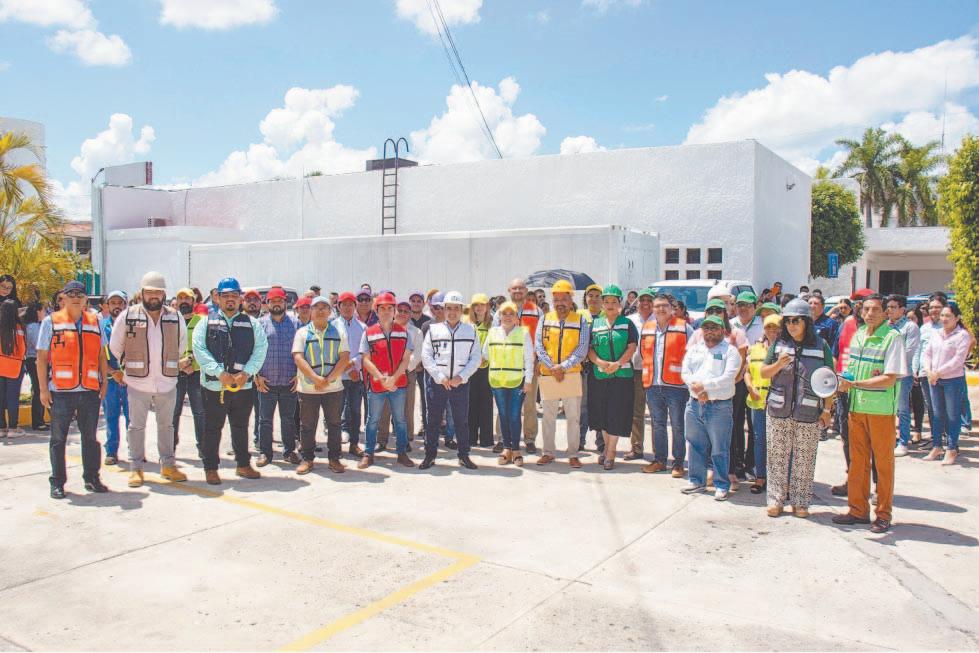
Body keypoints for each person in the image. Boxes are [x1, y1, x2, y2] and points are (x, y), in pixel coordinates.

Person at [833, 294, 908, 534]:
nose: (870, 313)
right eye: (866, 309)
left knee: (883, 464)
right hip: (856, 408)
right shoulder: (858, 335)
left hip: (880, 411)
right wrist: (842, 381)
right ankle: (857, 510)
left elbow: (890, 378)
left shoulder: (892, 338)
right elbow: (851, 371)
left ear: (886, 312)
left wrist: (855, 384)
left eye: (875, 309)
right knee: (858, 462)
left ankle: (883, 514)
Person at [109, 272, 188, 487]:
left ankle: (168, 466)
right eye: (150, 292)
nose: (154, 296)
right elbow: (115, 346)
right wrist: (121, 367)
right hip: (137, 382)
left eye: (158, 292)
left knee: (167, 426)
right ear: (142, 293)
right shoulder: (128, 316)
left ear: (164, 294)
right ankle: (136, 468)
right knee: (136, 426)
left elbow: (181, 346)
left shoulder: (175, 317)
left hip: (166, 381)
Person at [759, 298, 835, 518]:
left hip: (808, 411)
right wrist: (778, 364)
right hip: (778, 409)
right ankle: (775, 500)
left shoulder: (821, 346)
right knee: (776, 457)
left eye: (796, 321)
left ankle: (801, 502)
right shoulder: (779, 344)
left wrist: (827, 410)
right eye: (788, 321)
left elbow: (830, 380)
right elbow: (763, 372)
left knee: (804, 458)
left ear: (806, 323)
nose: (791, 325)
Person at [36, 280, 110, 499]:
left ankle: (92, 478)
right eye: (71, 294)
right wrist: (43, 390)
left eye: (80, 294)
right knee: (58, 439)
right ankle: (57, 482)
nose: (76, 298)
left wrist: (104, 381)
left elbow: (101, 355)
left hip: (89, 390)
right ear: (64, 298)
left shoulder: (95, 322)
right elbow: (41, 358)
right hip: (60, 392)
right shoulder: (51, 322)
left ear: (86, 299)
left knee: (90, 438)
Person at [193, 277, 269, 485]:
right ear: (217, 298)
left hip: (242, 386)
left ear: (240, 298)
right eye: (225, 295)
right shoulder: (205, 323)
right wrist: (220, 373)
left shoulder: (252, 324)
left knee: (240, 426)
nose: (230, 299)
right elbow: (200, 350)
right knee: (212, 428)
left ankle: (243, 464)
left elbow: (260, 349)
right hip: (214, 387)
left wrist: (247, 373)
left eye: (234, 295)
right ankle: (210, 468)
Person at [680, 315, 741, 500]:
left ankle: (721, 484)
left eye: (714, 328)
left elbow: (728, 377)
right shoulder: (694, 349)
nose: (709, 332)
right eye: (706, 328)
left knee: (720, 447)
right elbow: (685, 372)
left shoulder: (730, 351)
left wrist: (705, 387)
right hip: (694, 404)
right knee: (695, 445)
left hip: (719, 406)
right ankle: (696, 481)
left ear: (722, 330)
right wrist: (697, 389)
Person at [420, 291, 482, 470]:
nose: (452, 312)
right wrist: (439, 377)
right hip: (437, 383)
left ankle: (464, 455)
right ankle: (429, 456)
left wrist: (461, 377)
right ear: (443, 309)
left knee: (461, 421)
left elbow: (476, 357)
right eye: (448, 308)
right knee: (433, 421)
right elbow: (426, 356)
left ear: (461, 310)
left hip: (460, 384)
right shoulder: (434, 330)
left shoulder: (471, 330)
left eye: (456, 308)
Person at [535, 280, 590, 468]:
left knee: (573, 418)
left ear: (571, 300)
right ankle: (548, 452)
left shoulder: (580, 320)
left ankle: (573, 454)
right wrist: (552, 367)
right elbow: (539, 346)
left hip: (571, 374)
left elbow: (582, 349)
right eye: (556, 299)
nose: (560, 303)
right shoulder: (544, 319)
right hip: (548, 374)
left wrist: (563, 367)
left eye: (564, 299)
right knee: (548, 417)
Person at [292, 296, 349, 474]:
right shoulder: (302, 333)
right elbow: (298, 357)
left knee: (334, 424)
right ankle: (307, 459)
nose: (321, 310)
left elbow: (344, 358)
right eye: (317, 307)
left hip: (333, 388)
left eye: (325, 307)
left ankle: (334, 459)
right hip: (309, 389)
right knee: (307, 426)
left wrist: (328, 379)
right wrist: (315, 378)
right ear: (310, 310)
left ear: (330, 311)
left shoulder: (339, 332)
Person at [639, 292, 694, 476]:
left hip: (677, 386)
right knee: (658, 424)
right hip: (653, 384)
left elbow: (694, 354)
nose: (660, 309)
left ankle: (678, 463)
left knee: (678, 425)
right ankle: (660, 461)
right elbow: (642, 353)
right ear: (653, 309)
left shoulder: (684, 328)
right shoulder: (647, 328)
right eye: (657, 306)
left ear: (672, 309)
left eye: (664, 306)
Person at [359, 292, 414, 468]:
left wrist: (393, 379)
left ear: (394, 310)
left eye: (390, 308)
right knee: (373, 420)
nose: (386, 311)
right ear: (376, 310)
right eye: (382, 308)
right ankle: (368, 454)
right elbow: (366, 360)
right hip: (377, 384)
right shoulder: (369, 333)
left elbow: (406, 359)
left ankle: (402, 453)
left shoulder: (404, 333)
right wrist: (381, 377)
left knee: (400, 420)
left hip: (398, 384)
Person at [587, 285, 638, 470]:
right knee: (602, 414)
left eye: (614, 301)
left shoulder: (627, 324)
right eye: (606, 301)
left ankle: (611, 452)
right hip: (599, 376)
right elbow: (589, 349)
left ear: (620, 303)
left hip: (621, 376)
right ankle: (606, 447)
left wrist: (617, 363)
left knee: (615, 414)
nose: (610, 305)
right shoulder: (595, 325)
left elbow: (632, 347)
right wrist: (599, 362)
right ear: (602, 303)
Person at [494, 278, 543, 453]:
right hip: (506, 366)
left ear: (526, 291)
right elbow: (495, 335)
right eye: (514, 288)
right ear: (509, 290)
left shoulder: (536, 311)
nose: (517, 291)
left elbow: (541, 337)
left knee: (529, 404)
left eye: (521, 288)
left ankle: (529, 439)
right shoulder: (500, 311)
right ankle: (502, 438)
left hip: (529, 364)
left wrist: (538, 359)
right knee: (504, 405)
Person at [255, 287, 300, 467]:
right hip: (266, 382)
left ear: (285, 303)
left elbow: (303, 351)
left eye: (279, 301)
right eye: (272, 301)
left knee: (288, 419)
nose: (276, 304)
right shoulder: (260, 325)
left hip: (289, 381)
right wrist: (256, 376)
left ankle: (289, 451)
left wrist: (300, 375)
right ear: (267, 304)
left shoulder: (296, 324)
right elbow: (254, 351)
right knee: (265, 420)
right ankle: (265, 453)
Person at [485, 301, 534, 466]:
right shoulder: (492, 332)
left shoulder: (523, 333)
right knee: (503, 414)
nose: (507, 317)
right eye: (504, 313)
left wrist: (528, 380)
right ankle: (507, 448)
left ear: (516, 317)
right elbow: (485, 354)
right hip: (497, 381)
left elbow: (529, 358)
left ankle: (516, 449)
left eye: (511, 313)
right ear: (499, 316)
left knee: (514, 415)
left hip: (517, 381)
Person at [921, 304, 971, 465]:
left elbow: (958, 360)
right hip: (934, 379)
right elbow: (927, 353)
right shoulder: (936, 333)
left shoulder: (962, 335)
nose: (944, 319)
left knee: (953, 415)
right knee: (936, 414)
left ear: (957, 318)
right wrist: (928, 370)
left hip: (952, 380)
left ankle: (951, 448)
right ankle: (937, 446)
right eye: (942, 315)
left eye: (948, 316)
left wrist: (938, 372)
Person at [744, 314, 780, 494]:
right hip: (758, 401)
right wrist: (750, 387)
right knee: (759, 440)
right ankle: (760, 477)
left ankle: (778, 480)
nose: (772, 331)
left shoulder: (786, 349)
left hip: (779, 403)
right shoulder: (755, 348)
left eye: (776, 327)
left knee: (778, 442)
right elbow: (747, 372)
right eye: (768, 327)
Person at [172, 288, 205, 455]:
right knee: (173, 412)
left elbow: (206, 347)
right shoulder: (170, 322)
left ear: (194, 301)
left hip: (196, 372)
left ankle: (203, 447)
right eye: (181, 298)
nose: (184, 301)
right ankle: (170, 447)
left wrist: (192, 361)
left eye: (187, 298)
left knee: (199, 412)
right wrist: (178, 364)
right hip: (175, 373)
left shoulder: (202, 322)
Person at [886, 294, 919, 457]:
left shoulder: (910, 327)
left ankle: (903, 442)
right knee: (887, 409)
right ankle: (889, 439)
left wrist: (891, 363)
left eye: (893, 307)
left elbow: (909, 351)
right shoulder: (885, 325)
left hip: (902, 374)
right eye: (888, 307)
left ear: (902, 309)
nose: (889, 310)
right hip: (886, 374)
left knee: (902, 409)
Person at [100, 290, 130, 464]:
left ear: (125, 305)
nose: (117, 306)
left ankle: (135, 450)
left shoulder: (134, 325)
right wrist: (113, 372)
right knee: (111, 416)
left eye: (120, 303)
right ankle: (111, 451)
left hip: (130, 380)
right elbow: (98, 355)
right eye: (113, 303)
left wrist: (126, 374)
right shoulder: (101, 327)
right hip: (110, 380)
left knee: (132, 418)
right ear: (107, 306)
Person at [336, 291, 367, 455]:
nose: (347, 308)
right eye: (344, 304)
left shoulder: (362, 327)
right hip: (337, 376)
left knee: (355, 411)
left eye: (350, 304)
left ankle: (354, 444)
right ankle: (335, 447)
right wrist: (347, 367)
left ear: (355, 306)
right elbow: (332, 352)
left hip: (356, 376)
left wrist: (354, 365)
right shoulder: (332, 326)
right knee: (335, 412)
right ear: (338, 307)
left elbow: (365, 352)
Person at [625, 288, 654, 461]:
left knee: (657, 414)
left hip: (655, 371)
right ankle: (636, 447)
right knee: (637, 411)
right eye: (642, 300)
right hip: (635, 369)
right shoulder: (630, 320)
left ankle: (659, 452)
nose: (645, 304)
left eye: (649, 300)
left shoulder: (659, 319)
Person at [578, 283, 604, 454]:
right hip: (583, 367)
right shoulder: (579, 315)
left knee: (600, 405)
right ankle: (579, 439)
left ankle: (601, 441)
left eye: (597, 296)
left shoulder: (606, 316)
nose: (593, 299)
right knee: (583, 406)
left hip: (601, 367)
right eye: (590, 296)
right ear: (585, 298)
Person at [466, 294, 494, 448]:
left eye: (482, 304)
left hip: (487, 368)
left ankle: (486, 439)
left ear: (487, 306)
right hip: (470, 369)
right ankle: (470, 438)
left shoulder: (493, 325)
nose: (479, 308)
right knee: (471, 404)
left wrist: (485, 357)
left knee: (486, 404)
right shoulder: (467, 324)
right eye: (476, 305)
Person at [0, 299, 26, 439]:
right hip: (15, 367)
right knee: (12, 398)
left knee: (1, 398)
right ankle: (13, 428)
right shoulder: (19, 328)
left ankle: (1, 428)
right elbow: (22, 349)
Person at [22, 302, 47, 431]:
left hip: (37, 359)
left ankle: (40, 419)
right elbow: (39, 345)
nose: (45, 313)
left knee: (39, 389)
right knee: (38, 389)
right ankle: (37, 421)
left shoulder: (37, 325)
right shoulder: (33, 327)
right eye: (43, 310)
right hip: (34, 360)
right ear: (38, 311)